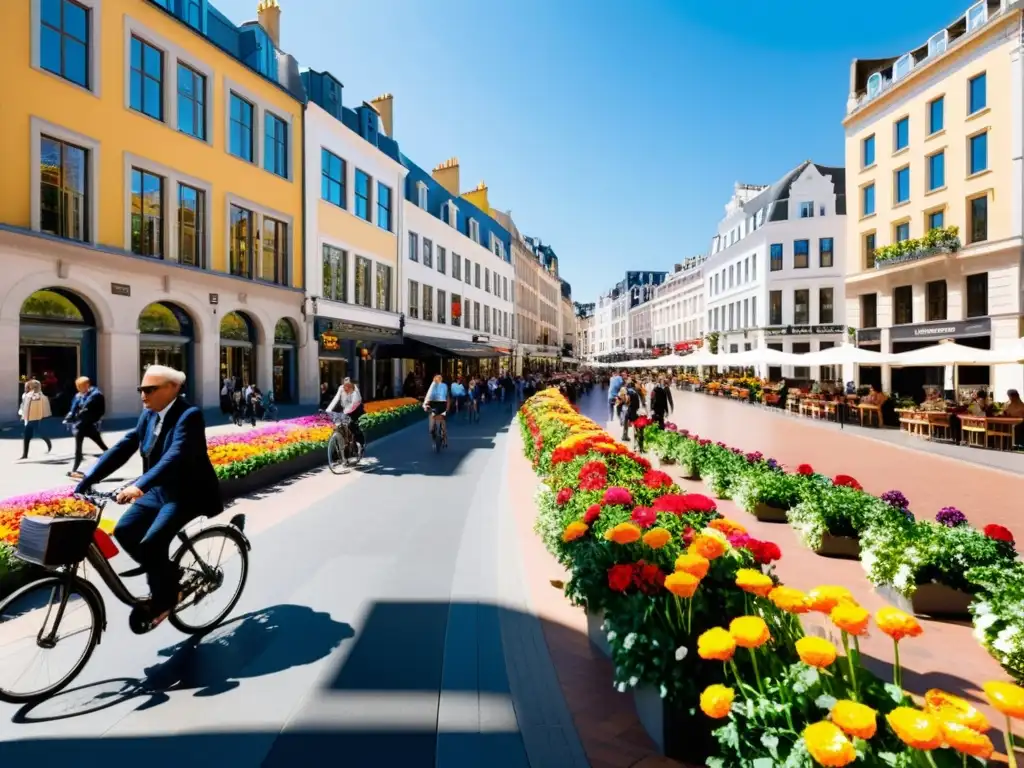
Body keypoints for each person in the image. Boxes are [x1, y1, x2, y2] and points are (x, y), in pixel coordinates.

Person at [75, 365, 223, 630]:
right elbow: (123, 447)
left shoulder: (189, 415)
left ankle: (165, 598)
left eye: (150, 389)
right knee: (125, 530)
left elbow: (175, 455)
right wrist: (88, 479)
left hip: (187, 493)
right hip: (158, 491)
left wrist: (139, 485)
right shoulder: (148, 415)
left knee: (153, 542)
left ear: (173, 388)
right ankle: (170, 575)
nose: (143, 394)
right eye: (140, 389)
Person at [65, 377, 109, 479]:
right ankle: (74, 470)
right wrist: (70, 416)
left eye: (81, 387)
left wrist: (91, 417)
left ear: (87, 385)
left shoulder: (96, 395)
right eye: (78, 387)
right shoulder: (79, 395)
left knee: (101, 445)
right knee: (78, 449)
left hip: (89, 424)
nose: (79, 389)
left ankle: (113, 458)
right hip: (80, 425)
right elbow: (74, 408)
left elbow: (97, 409)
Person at [326, 378, 365, 456]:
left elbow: (354, 404)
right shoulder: (341, 388)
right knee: (338, 426)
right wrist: (329, 409)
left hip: (356, 409)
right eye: (344, 386)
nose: (345, 388)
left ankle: (360, 445)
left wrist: (345, 412)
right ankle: (339, 450)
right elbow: (336, 398)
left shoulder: (355, 391)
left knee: (353, 425)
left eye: (348, 386)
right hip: (345, 408)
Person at [18, 379, 52, 460]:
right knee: (28, 435)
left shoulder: (37, 395)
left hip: (34, 417)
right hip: (28, 418)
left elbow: (40, 405)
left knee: (34, 432)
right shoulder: (25, 395)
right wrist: (23, 415)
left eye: (28, 386)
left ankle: (48, 442)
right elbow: (24, 406)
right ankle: (25, 454)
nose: (26, 388)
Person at [423, 374, 450, 442]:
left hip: (438, 404)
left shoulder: (439, 386)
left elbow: (428, 395)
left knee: (435, 418)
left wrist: (425, 405)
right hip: (438, 404)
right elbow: (428, 396)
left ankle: (438, 432)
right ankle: (441, 434)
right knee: (439, 420)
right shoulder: (439, 386)